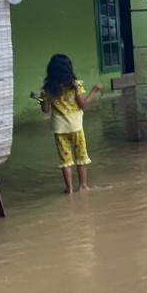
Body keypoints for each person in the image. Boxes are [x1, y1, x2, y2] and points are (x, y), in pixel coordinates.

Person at [37, 54, 102, 194]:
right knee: (81, 156)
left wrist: (42, 101)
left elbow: (45, 110)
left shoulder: (46, 89)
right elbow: (83, 104)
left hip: (59, 128)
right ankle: (83, 186)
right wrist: (93, 92)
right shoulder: (75, 85)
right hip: (76, 126)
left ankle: (70, 188)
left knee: (65, 159)